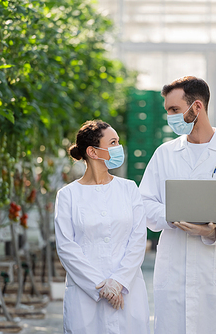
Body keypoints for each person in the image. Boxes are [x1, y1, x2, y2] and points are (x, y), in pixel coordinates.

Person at [139, 76, 216, 334]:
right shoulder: (164, 154)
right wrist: (172, 215)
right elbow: (144, 205)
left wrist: (212, 232)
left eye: (174, 110)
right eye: (167, 111)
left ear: (197, 108)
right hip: (174, 276)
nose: (169, 117)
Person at [54, 120, 150, 334]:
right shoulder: (68, 195)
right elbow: (66, 248)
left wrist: (118, 282)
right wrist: (101, 285)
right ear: (92, 151)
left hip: (127, 291)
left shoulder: (129, 189)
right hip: (86, 296)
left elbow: (137, 240)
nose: (119, 148)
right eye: (113, 142)